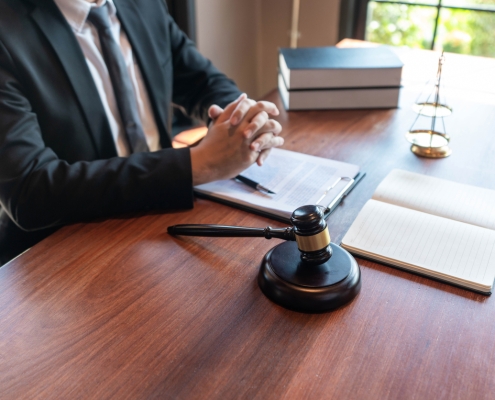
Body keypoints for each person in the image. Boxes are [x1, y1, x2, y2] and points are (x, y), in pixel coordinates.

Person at [0, 0, 284, 265]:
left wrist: (245, 121)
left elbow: (201, 80)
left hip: (160, 223)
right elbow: (29, 192)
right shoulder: (7, 32)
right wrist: (196, 164)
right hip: (64, 254)